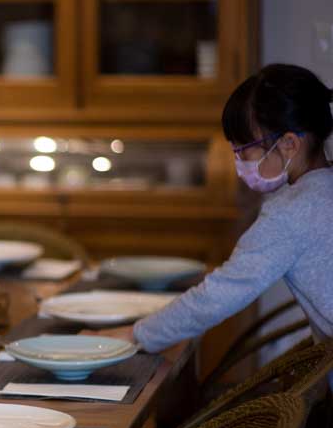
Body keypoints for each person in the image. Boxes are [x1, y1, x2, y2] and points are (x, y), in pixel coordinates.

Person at [95, 64, 333, 351]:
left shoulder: (292, 212)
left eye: (244, 149)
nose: (239, 162)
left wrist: (135, 334)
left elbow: (218, 296)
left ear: (289, 144)